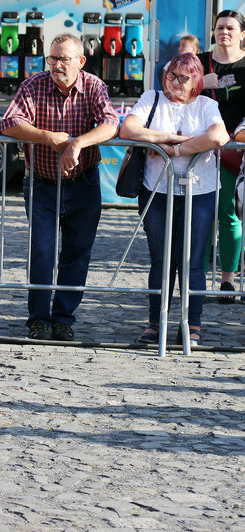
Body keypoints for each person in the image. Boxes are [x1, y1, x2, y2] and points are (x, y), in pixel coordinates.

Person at [1, 32, 120, 341]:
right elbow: (9, 122)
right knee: (42, 251)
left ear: (81, 61)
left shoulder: (94, 86)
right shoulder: (33, 84)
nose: (56, 65)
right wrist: (47, 137)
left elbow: (111, 123)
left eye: (63, 59)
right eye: (52, 58)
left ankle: (64, 318)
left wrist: (77, 143)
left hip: (84, 183)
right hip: (42, 184)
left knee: (77, 252)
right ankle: (38, 319)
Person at [121, 53, 228, 346]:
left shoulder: (206, 105)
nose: (175, 82)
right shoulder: (151, 97)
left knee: (193, 261)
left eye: (183, 77)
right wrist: (164, 139)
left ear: (196, 81)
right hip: (157, 190)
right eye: (171, 75)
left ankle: (193, 325)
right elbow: (128, 129)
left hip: (200, 191)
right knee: (161, 259)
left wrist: (178, 150)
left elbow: (219, 137)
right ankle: (156, 323)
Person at [198, 11, 245, 302]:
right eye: (219, 27)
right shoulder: (197, 62)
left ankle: (228, 279)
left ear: (243, 34)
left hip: (235, 152)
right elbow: (172, 92)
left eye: (230, 28)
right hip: (200, 149)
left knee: (228, 212)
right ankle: (197, 278)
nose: (224, 32)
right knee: (201, 215)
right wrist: (200, 83)